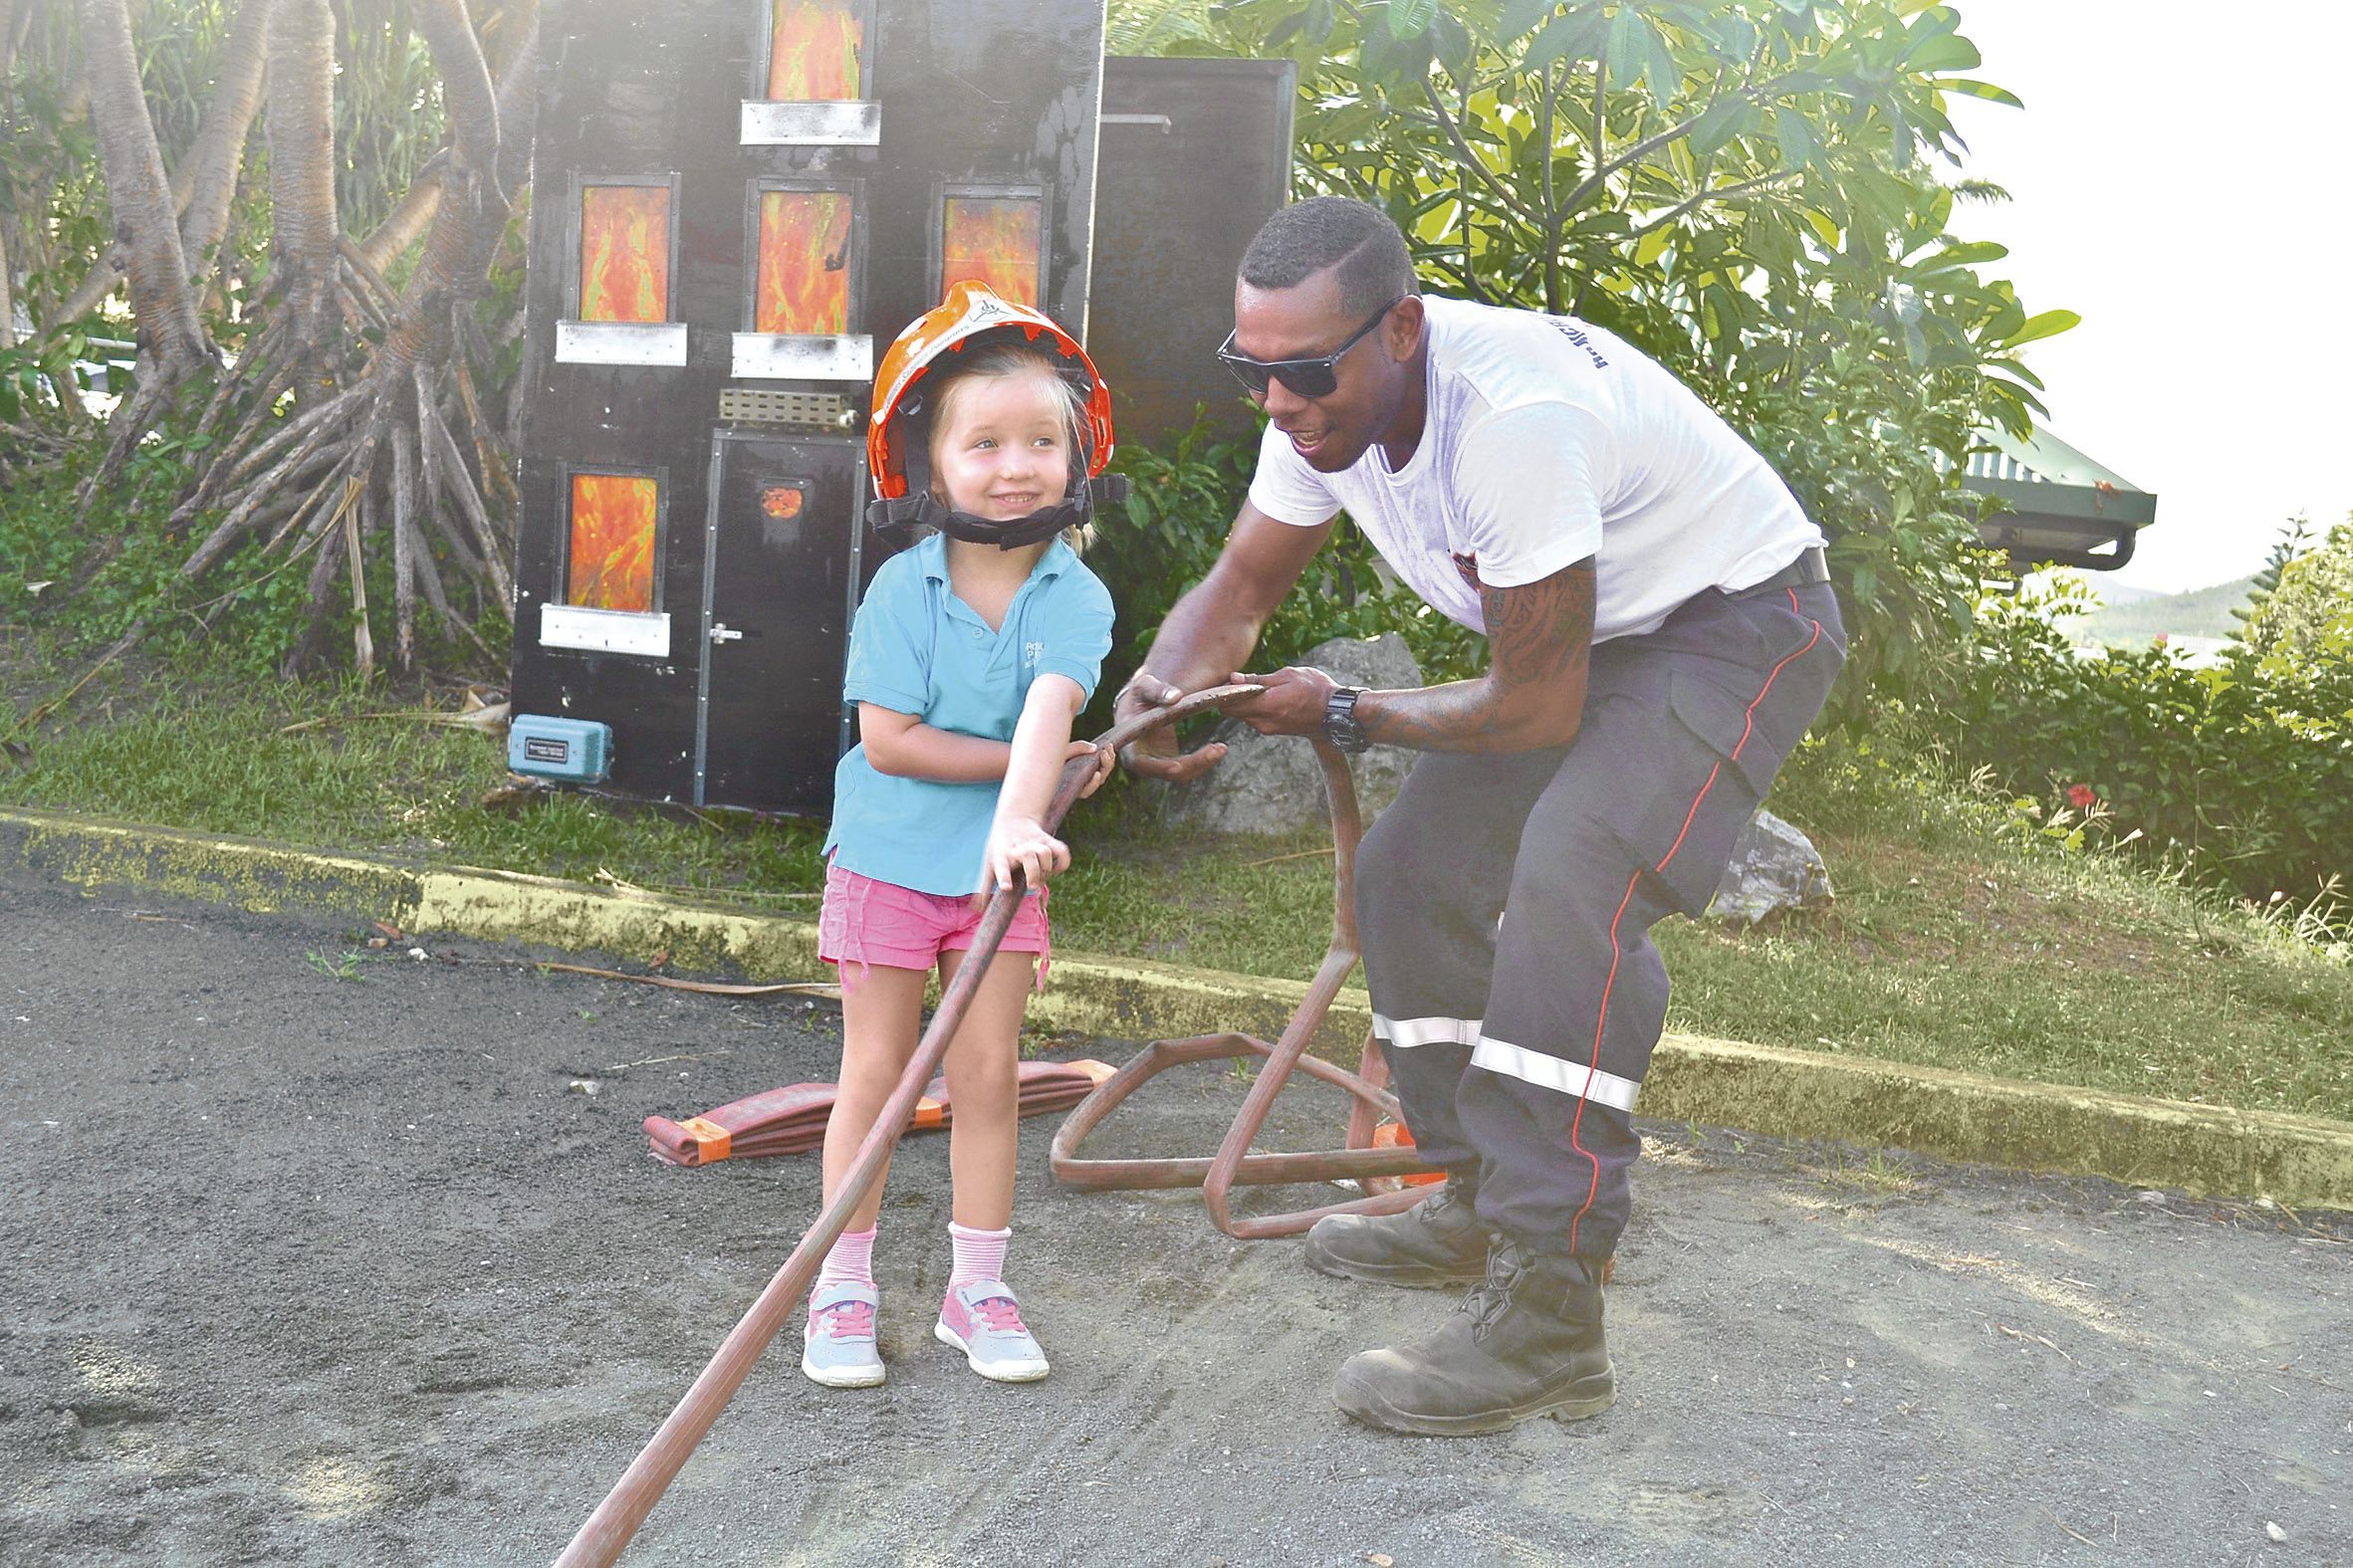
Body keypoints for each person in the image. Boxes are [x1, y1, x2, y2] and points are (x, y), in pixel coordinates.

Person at [1117, 197, 1847, 1436]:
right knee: (1407, 875)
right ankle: (1471, 1194)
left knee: (1576, 878)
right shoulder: (1313, 409)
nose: (1279, 405)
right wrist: (1151, 692)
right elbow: (1240, 585)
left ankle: (1551, 1308)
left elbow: (1530, 704)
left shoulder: (1510, 422)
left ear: (1399, 330)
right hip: (1581, 642)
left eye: (1302, 373)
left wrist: (1342, 706)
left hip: (1733, 624)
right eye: (1252, 372)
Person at [800, 282, 1120, 1389]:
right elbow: (888, 741)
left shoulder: (1073, 595)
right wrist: (1037, 785)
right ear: (928, 463)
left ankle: (975, 1289)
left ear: (1076, 458)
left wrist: (1028, 808)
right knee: (878, 1075)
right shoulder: (901, 588)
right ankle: (841, 1289)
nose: (1015, 463)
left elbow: (1049, 705)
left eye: (1041, 439)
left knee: (987, 1077)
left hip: (998, 871)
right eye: (982, 442)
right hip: (888, 859)